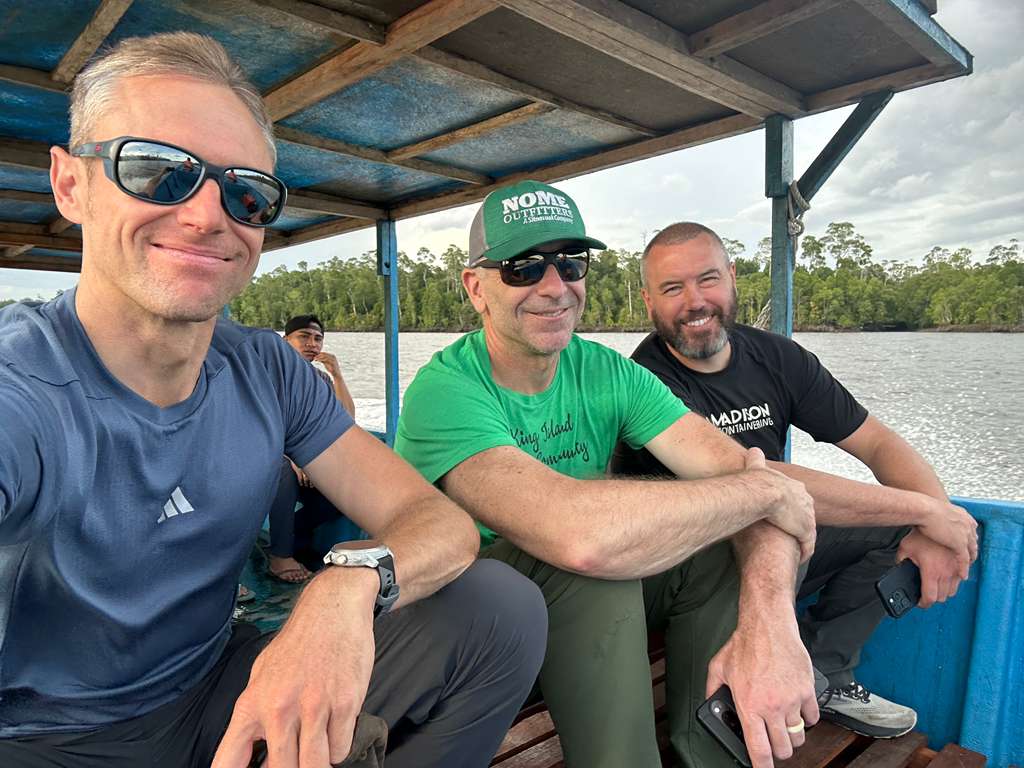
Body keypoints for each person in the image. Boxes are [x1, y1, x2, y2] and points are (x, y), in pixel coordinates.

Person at [0, 32, 546, 768]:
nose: (207, 216)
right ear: (71, 185)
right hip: (45, 738)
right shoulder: (23, 387)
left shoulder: (266, 367)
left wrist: (345, 587)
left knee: (495, 608)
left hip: (218, 688)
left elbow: (437, 522)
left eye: (244, 192)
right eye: (154, 170)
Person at [395, 179, 828, 768]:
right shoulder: (445, 390)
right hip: (468, 627)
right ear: (476, 287)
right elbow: (580, 537)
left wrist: (772, 621)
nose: (554, 287)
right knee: (596, 561)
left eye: (570, 262)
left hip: (581, 611)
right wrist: (764, 493)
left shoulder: (606, 371)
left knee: (712, 548)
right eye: (523, 268)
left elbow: (741, 472)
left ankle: (713, 754)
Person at [614, 222, 979, 739]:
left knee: (900, 525)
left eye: (707, 279)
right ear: (649, 301)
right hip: (692, 567)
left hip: (779, 546)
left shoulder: (777, 358)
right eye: (673, 288)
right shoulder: (644, 380)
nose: (695, 302)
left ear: (732, 277)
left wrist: (936, 520)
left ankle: (823, 669)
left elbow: (877, 443)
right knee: (868, 515)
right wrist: (928, 511)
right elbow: (757, 479)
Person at [266, 314, 358, 582]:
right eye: (303, 336)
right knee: (283, 473)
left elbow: (346, 420)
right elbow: (266, 429)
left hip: (308, 457)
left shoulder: (321, 380)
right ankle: (280, 555)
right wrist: (296, 460)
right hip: (274, 456)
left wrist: (337, 375)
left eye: (318, 338)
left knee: (351, 488)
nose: (312, 344)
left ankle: (295, 538)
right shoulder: (269, 377)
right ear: (285, 341)